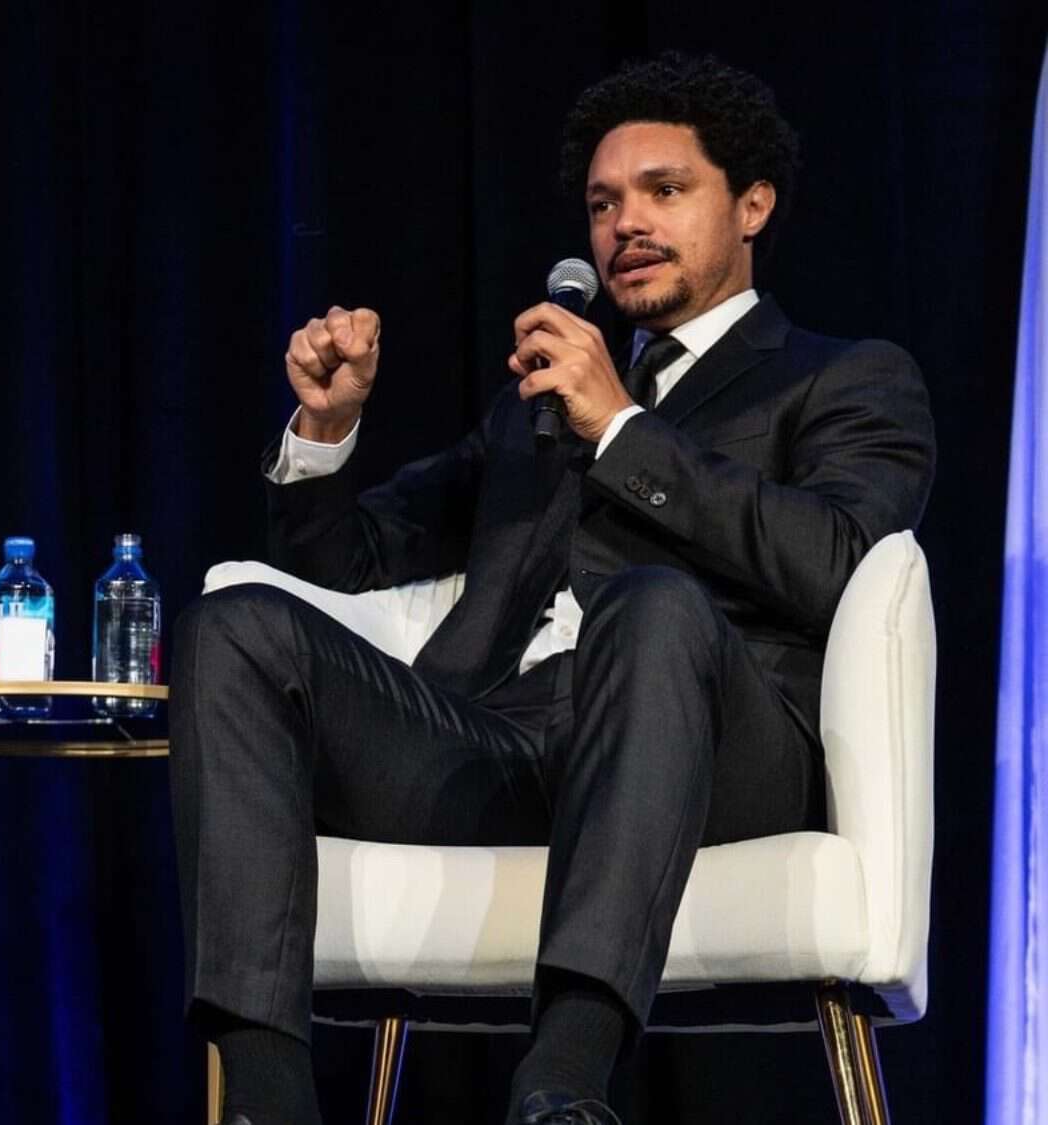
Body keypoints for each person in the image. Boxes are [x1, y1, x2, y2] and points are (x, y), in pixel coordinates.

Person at [169, 53, 936, 1125]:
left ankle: (564, 1084)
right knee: (232, 628)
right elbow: (341, 567)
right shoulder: (529, 413)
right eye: (602, 203)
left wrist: (621, 429)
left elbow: (837, 558)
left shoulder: (843, 376)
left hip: (710, 752)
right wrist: (326, 432)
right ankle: (263, 1098)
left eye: (663, 192)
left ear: (750, 204)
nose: (625, 223)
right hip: (497, 744)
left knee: (655, 603)